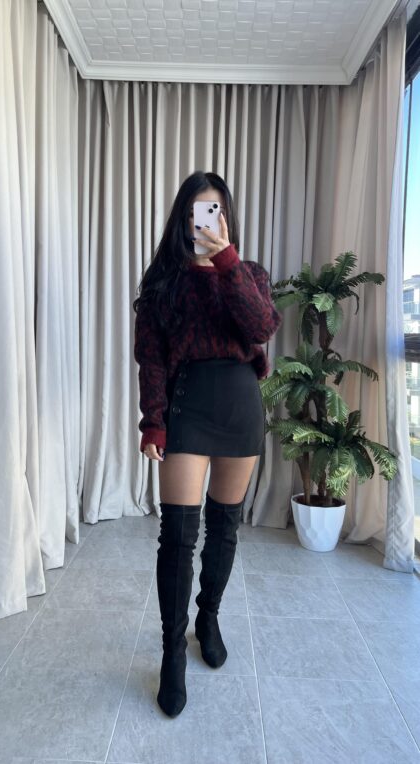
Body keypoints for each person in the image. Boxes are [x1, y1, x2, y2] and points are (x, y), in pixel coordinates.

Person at [133, 171, 283, 718]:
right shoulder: (164, 281)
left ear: (226, 216)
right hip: (188, 403)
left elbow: (262, 327)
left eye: (215, 210)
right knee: (177, 536)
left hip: (240, 405)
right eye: (198, 211)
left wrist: (227, 263)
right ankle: (173, 652)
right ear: (184, 218)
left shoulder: (249, 272)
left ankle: (209, 617)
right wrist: (153, 421)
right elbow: (151, 357)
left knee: (224, 527)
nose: (207, 221)